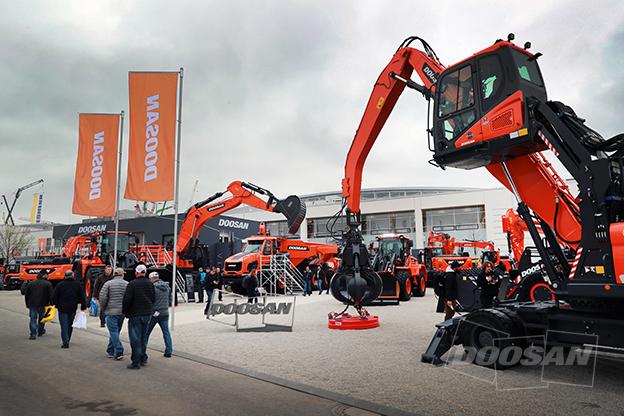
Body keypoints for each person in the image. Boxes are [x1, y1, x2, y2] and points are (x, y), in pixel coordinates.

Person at [122, 264, 155, 369]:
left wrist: (125, 312)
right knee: (143, 337)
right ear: (145, 272)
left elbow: (127, 300)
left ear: (136, 273)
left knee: (135, 339)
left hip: (135, 314)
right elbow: (153, 298)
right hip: (147, 313)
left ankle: (136, 362)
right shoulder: (150, 284)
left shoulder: (132, 284)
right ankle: (143, 358)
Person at [99, 267, 128, 360]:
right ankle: (110, 350)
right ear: (122, 275)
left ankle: (119, 350)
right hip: (122, 312)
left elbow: (102, 297)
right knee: (116, 331)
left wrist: (103, 308)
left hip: (111, 311)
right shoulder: (127, 284)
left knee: (113, 331)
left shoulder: (108, 284)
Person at [52, 270, 87, 348]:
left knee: (64, 325)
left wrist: (54, 304)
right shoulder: (77, 285)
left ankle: (65, 341)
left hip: (62, 308)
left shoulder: (60, 285)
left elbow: (55, 296)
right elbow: (82, 296)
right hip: (72, 307)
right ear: (73, 276)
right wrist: (83, 305)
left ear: (65, 276)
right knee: (70, 324)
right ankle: (68, 338)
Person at [146, 271, 173, 358]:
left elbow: (150, 301)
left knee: (146, 332)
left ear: (152, 278)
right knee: (166, 332)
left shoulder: (152, 288)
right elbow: (170, 299)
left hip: (155, 313)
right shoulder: (167, 287)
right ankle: (169, 350)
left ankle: (143, 350)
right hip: (165, 312)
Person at [24, 271, 53, 340]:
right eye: (47, 275)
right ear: (44, 275)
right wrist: (51, 304)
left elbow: (27, 294)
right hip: (43, 304)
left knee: (33, 319)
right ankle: (40, 331)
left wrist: (27, 303)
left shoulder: (31, 283)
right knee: (42, 318)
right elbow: (51, 295)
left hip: (32, 304)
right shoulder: (48, 284)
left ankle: (33, 334)